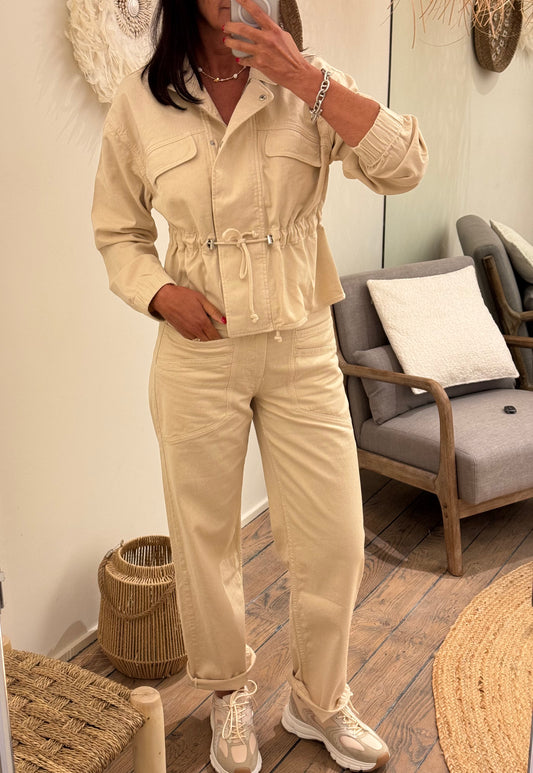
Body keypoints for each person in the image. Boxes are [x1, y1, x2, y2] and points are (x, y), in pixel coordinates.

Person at [92, 1, 427, 770]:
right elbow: (117, 230)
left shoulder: (307, 83)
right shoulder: (141, 100)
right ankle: (226, 692)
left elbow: (404, 167)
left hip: (300, 339)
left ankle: (319, 699)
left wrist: (306, 80)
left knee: (334, 537)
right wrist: (159, 293)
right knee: (204, 537)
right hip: (198, 348)